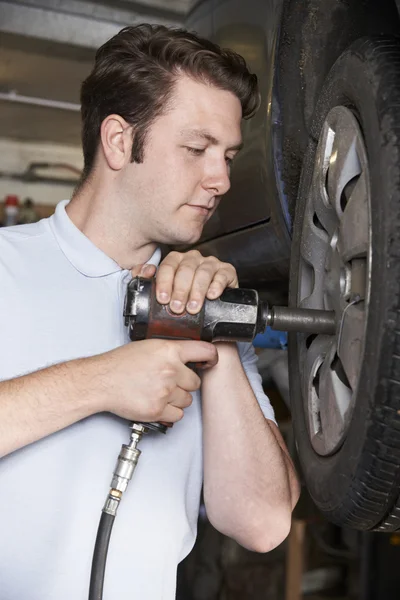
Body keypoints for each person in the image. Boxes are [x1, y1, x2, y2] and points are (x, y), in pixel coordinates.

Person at [0, 24, 300, 599]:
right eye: (196, 149)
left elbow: (262, 523)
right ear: (118, 141)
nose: (221, 180)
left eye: (228, 155)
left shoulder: (202, 301)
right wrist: (101, 380)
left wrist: (218, 337)